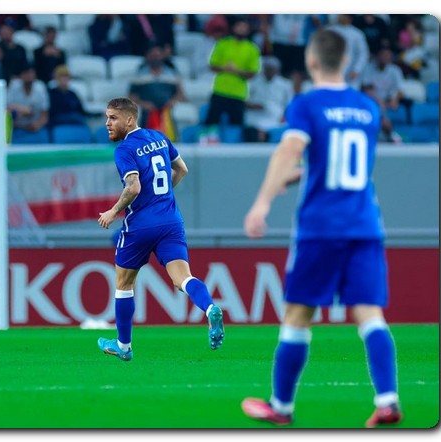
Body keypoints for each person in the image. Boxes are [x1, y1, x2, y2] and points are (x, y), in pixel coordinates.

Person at [241, 28, 402, 428]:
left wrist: (263, 200)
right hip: (365, 223)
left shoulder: (306, 104)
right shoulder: (367, 108)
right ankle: (387, 399)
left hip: (321, 227)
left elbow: (291, 148)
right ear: (346, 62)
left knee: (297, 314)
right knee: (369, 314)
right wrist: (298, 177)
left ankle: (281, 407)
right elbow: (340, 164)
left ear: (311, 61)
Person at [96, 97, 224, 361]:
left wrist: (112, 211)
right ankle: (210, 307)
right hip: (171, 221)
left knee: (124, 284)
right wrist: (160, 198)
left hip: (141, 226)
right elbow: (182, 169)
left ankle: (123, 345)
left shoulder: (124, 150)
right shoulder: (159, 137)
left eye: (112, 118)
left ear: (129, 119)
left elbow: (133, 187)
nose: (107, 123)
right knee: (182, 279)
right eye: (107, 117)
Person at [203, 17, 261, 140]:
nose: (241, 29)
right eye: (239, 26)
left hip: (238, 94)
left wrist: (237, 71)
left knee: (236, 125)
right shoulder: (222, 44)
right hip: (219, 90)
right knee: (211, 122)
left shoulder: (252, 49)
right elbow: (212, 65)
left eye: (244, 28)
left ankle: (234, 148)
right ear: (234, 28)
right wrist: (225, 68)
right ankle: (207, 145)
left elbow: (252, 73)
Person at [128, 43, 185, 139]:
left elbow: (180, 94)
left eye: (158, 56)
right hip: (148, 110)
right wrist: (144, 104)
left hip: (167, 110)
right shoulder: (140, 74)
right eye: (153, 56)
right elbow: (131, 95)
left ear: (162, 56)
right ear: (147, 57)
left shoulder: (171, 73)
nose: (156, 58)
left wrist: (172, 101)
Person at [244, 56, 293, 142]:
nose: (269, 71)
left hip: (275, 118)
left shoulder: (284, 84)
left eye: (272, 69)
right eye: (267, 68)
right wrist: (253, 105)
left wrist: (285, 115)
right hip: (255, 118)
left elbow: (289, 103)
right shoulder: (253, 82)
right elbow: (244, 101)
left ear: (277, 70)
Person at [361, 46, 405, 143]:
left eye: (387, 56)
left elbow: (400, 90)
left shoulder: (395, 70)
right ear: (377, 57)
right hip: (372, 101)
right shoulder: (368, 68)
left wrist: (395, 100)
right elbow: (367, 90)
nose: (385, 58)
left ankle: (390, 135)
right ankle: (391, 134)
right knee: (379, 110)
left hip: (388, 101)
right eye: (383, 55)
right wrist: (379, 102)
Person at [6, 64, 50, 144]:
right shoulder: (13, 86)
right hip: (17, 128)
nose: (29, 76)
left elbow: (45, 115)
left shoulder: (40, 87)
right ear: (21, 75)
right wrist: (21, 109)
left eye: (31, 73)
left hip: (37, 128)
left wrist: (38, 125)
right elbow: (6, 109)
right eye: (26, 73)